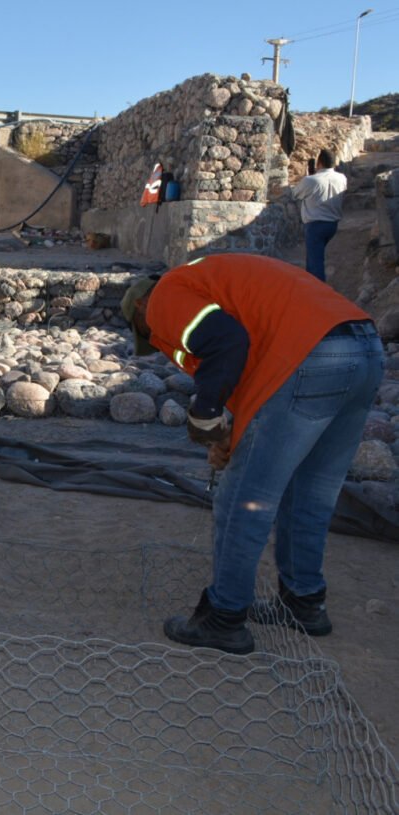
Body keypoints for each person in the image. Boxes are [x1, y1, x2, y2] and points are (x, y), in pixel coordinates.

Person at [121, 253, 383, 655]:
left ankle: (224, 619)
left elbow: (228, 343)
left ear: (141, 307)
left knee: (244, 499)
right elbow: (256, 381)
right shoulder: (218, 280)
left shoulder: (164, 297)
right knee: (311, 490)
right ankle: (304, 602)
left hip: (310, 356)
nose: (160, 341)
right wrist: (226, 436)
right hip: (362, 348)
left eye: (148, 332)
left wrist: (204, 417)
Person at [290, 148, 347, 281]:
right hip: (332, 225)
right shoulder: (342, 178)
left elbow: (295, 194)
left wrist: (306, 177)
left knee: (315, 263)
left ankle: (317, 293)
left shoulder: (311, 180)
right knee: (314, 258)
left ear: (319, 162)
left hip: (315, 225)